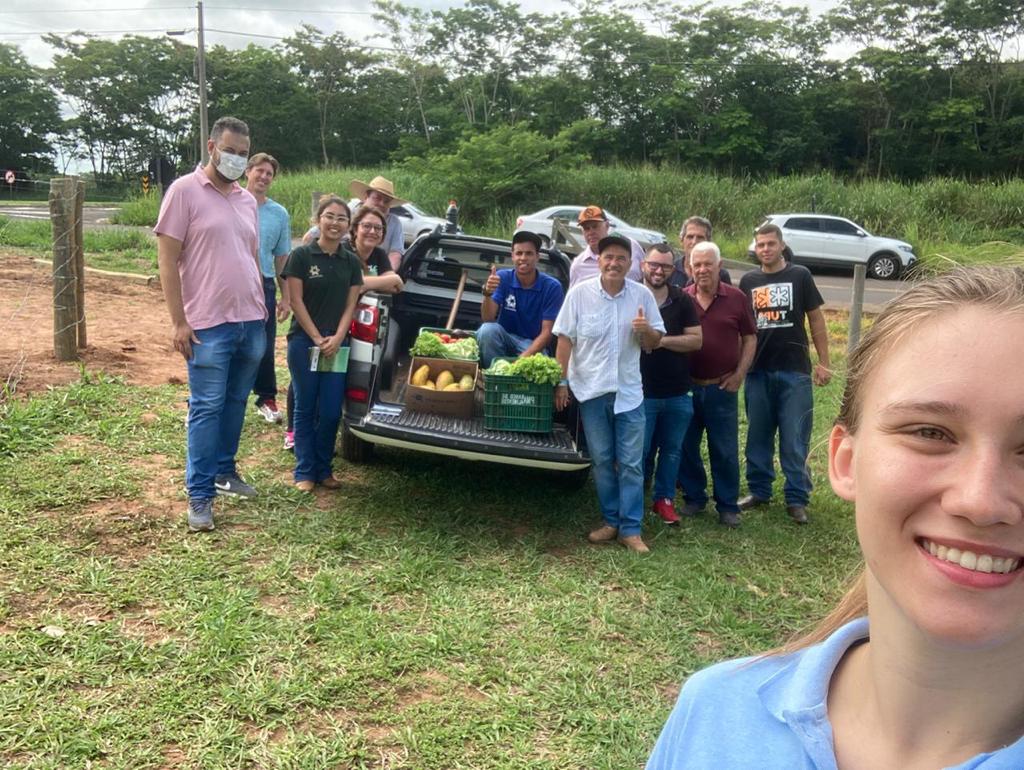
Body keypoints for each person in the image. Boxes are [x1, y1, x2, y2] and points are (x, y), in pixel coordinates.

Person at [647, 266, 1024, 769]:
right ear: (845, 462)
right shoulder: (713, 713)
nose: (980, 501)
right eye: (930, 433)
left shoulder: (789, 281)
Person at [155, 115, 265, 533]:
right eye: (230, 150)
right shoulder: (184, 191)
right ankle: (200, 494)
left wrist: (261, 307)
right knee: (206, 407)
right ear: (212, 147)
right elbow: (168, 261)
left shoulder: (246, 201)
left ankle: (224, 471)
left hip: (250, 320)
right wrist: (178, 322)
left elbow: (249, 256)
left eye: (243, 153)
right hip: (207, 324)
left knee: (236, 402)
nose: (236, 159)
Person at [553, 234, 666, 553]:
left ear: (630, 264)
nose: (614, 263)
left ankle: (631, 530)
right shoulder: (580, 294)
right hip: (591, 392)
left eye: (621, 258)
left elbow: (655, 342)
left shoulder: (641, 295)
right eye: (608, 257)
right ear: (599, 261)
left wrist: (646, 331)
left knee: (631, 463)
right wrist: (561, 382)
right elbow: (565, 340)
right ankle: (611, 521)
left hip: (629, 394)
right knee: (602, 460)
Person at [738, 223, 832, 525]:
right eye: (760, 244)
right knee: (757, 436)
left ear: (781, 245)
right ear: (755, 248)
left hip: (795, 371)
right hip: (758, 371)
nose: (765, 249)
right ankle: (759, 490)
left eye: (770, 243)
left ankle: (796, 498)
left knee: (795, 437)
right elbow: (741, 328)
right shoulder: (748, 281)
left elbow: (816, 320)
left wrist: (824, 362)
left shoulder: (800, 275)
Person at [282, 195, 363, 492]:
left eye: (342, 218)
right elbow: (296, 301)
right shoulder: (301, 256)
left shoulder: (351, 261)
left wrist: (338, 337)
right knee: (305, 406)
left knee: (331, 411)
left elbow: (351, 305)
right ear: (318, 220)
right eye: (329, 216)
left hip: (337, 343)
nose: (335, 223)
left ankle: (324, 469)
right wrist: (317, 337)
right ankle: (304, 471)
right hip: (305, 340)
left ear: (348, 226)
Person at [678, 242, 757, 527]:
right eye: (697, 264)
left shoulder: (736, 298)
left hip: (721, 388)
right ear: (689, 268)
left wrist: (739, 374)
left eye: (707, 264)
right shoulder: (682, 298)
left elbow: (750, 338)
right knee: (686, 446)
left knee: (724, 449)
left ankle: (727, 505)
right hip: (687, 387)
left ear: (719, 266)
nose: (702, 269)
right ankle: (694, 497)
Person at [639, 244, 702, 525]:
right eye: (653, 264)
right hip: (640, 391)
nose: (658, 270)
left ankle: (663, 500)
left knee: (672, 450)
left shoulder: (682, 300)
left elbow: (696, 340)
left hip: (677, 390)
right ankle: (633, 500)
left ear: (673, 270)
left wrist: (659, 340)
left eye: (665, 266)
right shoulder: (631, 295)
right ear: (643, 265)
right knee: (639, 451)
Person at [244, 152, 291, 424]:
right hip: (232, 282)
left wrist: (286, 296)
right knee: (224, 341)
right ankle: (205, 400)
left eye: (269, 173)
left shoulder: (278, 213)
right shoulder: (230, 201)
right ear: (247, 171)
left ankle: (266, 397)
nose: (263, 177)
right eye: (259, 171)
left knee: (263, 343)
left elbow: (282, 258)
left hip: (264, 284)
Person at [478, 230, 564, 367]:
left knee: (542, 363)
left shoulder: (552, 287)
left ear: (537, 257)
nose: (523, 258)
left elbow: (547, 334)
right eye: (519, 253)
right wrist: (487, 293)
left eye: (529, 253)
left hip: (533, 344)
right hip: (505, 337)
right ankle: (491, 375)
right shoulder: (502, 277)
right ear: (512, 256)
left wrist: (519, 361)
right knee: (487, 330)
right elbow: (487, 319)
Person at [567, 206, 644, 288]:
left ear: (607, 226)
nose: (591, 232)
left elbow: (647, 274)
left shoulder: (632, 247)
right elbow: (575, 294)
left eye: (595, 226)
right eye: (586, 228)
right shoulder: (578, 266)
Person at [348, 176, 407, 271]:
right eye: (377, 198)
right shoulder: (348, 213)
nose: (381, 204)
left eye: (386, 201)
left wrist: (387, 274)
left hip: (375, 270)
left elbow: (395, 254)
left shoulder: (394, 223)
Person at [349, 206, 404, 295]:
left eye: (378, 228)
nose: (372, 231)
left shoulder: (379, 254)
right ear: (355, 229)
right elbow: (354, 285)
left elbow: (395, 287)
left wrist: (367, 283)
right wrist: (394, 279)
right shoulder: (344, 251)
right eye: (367, 226)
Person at [668, 216, 731, 289]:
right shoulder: (671, 270)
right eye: (690, 237)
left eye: (700, 237)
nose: (694, 242)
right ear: (681, 240)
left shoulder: (720, 274)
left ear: (709, 242)